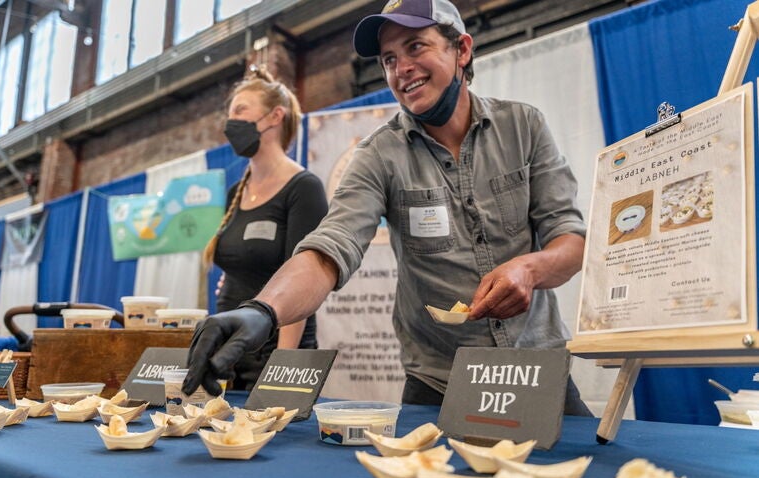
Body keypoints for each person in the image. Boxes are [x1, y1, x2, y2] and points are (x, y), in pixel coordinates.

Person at [185, 0, 591, 416]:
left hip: (537, 370)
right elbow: (332, 245)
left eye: (416, 47)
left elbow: (571, 241)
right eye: (389, 59)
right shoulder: (378, 154)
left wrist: (528, 269)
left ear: (462, 50)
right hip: (439, 384)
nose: (402, 68)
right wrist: (263, 311)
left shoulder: (523, 126)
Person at [201, 65, 328, 390]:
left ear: (274, 117)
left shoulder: (303, 188)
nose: (231, 122)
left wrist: (281, 367)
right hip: (230, 351)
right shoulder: (237, 192)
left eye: (240, 110)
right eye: (230, 114)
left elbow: (303, 277)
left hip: (277, 352)